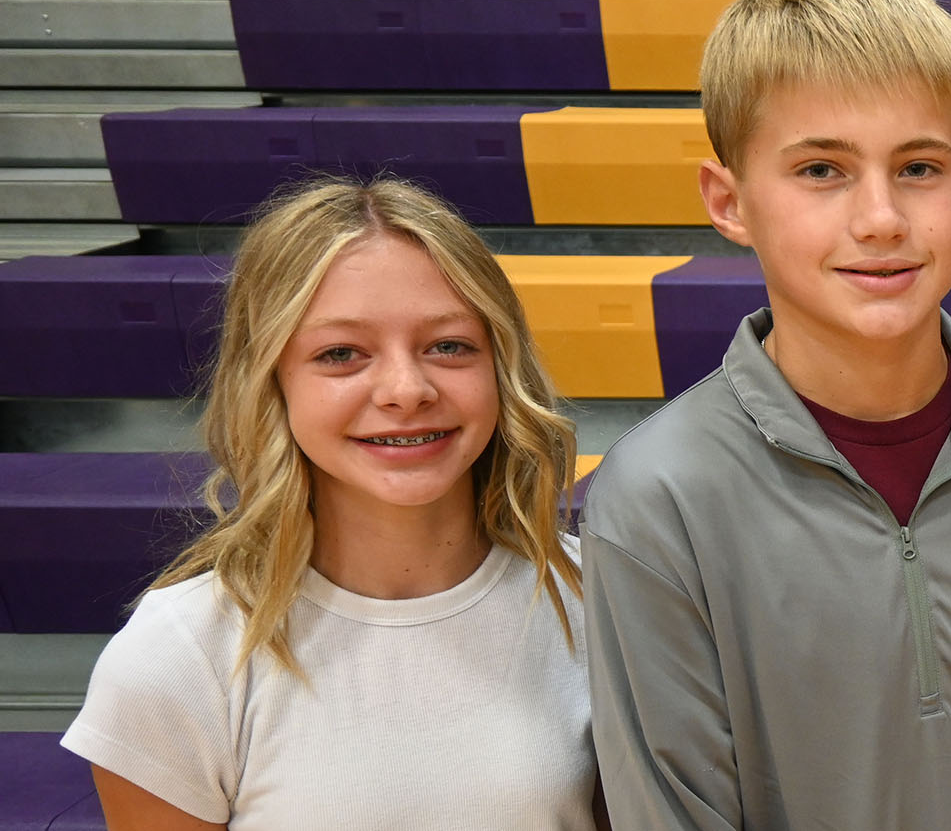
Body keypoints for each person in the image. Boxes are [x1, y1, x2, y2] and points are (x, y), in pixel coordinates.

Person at [578, 0, 951, 830]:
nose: (881, 217)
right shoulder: (658, 500)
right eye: (822, 171)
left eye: (919, 168)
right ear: (728, 201)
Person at [63, 176, 596, 830]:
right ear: (269, 383)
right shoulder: (180, 653)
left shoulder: (604, 602)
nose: (406, 389)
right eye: (341, 354)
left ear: (502, 367)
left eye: (448, 345)